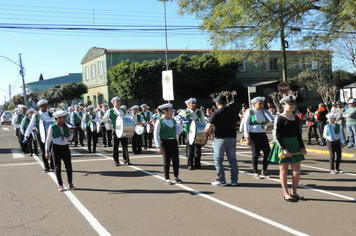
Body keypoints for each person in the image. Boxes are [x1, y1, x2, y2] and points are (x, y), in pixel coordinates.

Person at [268, 95, 307, 202]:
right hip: (283, 145)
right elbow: (276, 135)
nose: (292, 106)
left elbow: (298, 134)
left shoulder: (295, 118)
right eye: (289, 104)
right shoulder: (279, 118)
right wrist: (284, 149)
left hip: (294, 144)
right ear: (283, 105)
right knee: (284, 170)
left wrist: (302, 147)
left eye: (293, 104)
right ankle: (286, 193)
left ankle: (294, 192)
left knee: (296, 171)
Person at [204, 95, 239, 186]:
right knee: (233, 160)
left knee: (218, 160)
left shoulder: (216, 113)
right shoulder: (233, 111)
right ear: (226, 102)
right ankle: (234, 180)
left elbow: (209, 127)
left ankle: (221, 180)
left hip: (220, 139)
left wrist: (205, 132)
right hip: (232, 138)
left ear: (217, 103)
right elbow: (239, 122)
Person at [153, 103, 183, 185]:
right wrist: (158, 146)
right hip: (165, 142)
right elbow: (155, 134)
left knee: (176, 160)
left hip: (173, 142)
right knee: (167, 160)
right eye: (170, 109)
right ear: (165, 111)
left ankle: (176, 176)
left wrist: (181, 124)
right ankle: (167, 178)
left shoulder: (173, 120)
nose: (172, 111)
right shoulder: (160, 121)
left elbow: (177, 132)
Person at [45, 110, 75, 191]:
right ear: (58, 118)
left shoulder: (67, 126)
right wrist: (46, 151)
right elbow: (48, 140)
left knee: (69, 166)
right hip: (56, 148)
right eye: (63, 117)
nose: (65, 119)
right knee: (57, 167)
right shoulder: (52, 127)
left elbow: (69, 139)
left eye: (65, 117)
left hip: (65, 148)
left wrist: (71, 132)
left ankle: (70, 183)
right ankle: (60, 184)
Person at [242, 97, 271, 179]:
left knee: (267, 152)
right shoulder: (250, 111)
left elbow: (266, 123)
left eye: (262, 103)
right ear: (254, 103)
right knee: (255, 153)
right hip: (253, 134)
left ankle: (264, 170)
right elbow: (246, 124)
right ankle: (255, 172)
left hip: (262, 133)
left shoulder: (264, 111)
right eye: (259, 103)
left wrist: (268, 122)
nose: (261, 105)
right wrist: (247, 137)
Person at [25, 99, 54, 172]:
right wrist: (27, 134)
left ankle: (52, 165)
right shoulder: (36, 115)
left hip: (50, 134)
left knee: (52, 150)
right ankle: (46, 166)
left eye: (47, 105)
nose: (46, 107)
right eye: (44, 105)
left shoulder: (50, 113)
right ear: (40, 106)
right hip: (41, 135)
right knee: (44, 150)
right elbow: (30, 125)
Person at [101, 96, 131, 166]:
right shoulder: (110, 111)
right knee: (115, 146)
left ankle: (126, 160)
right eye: (117, 101)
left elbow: (129, 117)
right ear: (113, 103)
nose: (118, 102)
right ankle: (116, 161)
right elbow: (104, 119)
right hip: (115, 130)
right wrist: (103, 118)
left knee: (125, 146)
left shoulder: (124, 110)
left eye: (119, 101)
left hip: (124, 130)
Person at [179, 98, 204, 170]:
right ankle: (190, 164)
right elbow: (178, 118)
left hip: (198, 132)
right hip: (189, 132)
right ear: (188, 105)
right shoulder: (184, 112)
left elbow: (203, 121)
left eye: (195, 103)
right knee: (190, 148)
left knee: (198, 148)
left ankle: (197, 164)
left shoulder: (199, 112)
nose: (194, 105)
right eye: (192, 103)